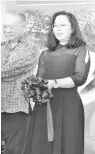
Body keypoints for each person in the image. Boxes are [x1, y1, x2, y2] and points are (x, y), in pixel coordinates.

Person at [24, 11, 90, 154]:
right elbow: (39, 79)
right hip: (44, 104)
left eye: (63, 25)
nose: (58, 28)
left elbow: (79, 78)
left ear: (73, 28)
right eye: (55, 25)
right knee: (41, 145)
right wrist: (32, 87)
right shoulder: (45, 54)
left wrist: (54, 83)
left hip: (68, 105)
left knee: (68, 144)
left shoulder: (81, 50)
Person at [1, 11, 40, 154]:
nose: (7, 30)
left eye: (11, 27)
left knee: (15, 150)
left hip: (16, 108)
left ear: (23, 27)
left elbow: (10, 69)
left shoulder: (31, 48)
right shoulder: (1, 46)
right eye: (5, 27)